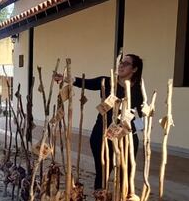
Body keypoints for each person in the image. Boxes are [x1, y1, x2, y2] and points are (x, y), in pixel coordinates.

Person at [54, 54, 145, 190]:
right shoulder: (107, 82)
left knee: (126, 172)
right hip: (101, 134)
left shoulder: (138, 89)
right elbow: (84, 82)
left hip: (125, 136)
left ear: (135, 69)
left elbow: (140, 115)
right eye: (121, 62)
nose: (121, 65)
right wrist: (66, 78)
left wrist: (137, 130)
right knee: (103, 170)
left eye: (126, 63)